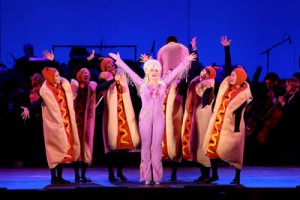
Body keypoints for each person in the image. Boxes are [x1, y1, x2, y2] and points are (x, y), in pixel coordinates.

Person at [108, 51, 197, 185]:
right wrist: (119, 61)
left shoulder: (164, 82)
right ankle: (146, 176)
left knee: (156, 147)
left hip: (159, 118)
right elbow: (129, 72)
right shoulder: (141, 83)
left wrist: (186, 61)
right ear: (147, 71)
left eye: (156, 69)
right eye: (151, 69)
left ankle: (157, 177)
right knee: (145, 146)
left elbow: (176, 71)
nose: (154, 72)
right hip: (145, 118)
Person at [21, 67, 81, 184]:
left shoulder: (62, 85)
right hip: (54, 124)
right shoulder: (45, 90)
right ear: (50, 78)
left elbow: (68, 72)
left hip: (66, 122)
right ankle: (53, 177)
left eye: (58, 75)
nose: (59, 77)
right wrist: (29, 109)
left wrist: (53, 62)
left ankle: (60, 177)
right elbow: (39, 101)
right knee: (54, 149)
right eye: (56, 76)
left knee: (63, 149)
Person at [203, 66, 252, 184]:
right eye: (231, 75)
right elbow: (228, 66)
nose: (231, 77)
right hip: (218, 121)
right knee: (211, 146)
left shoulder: (244, 94)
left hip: (232, 124)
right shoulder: (227, 87)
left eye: (234, 75)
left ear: (240, 78)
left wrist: (236, 129)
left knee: (236, 151)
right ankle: (214, 175)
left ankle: (237, 176)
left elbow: (240, 112)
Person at [98, 57, 140, 182]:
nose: (111, 67)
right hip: (111, 115)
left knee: (122, 146)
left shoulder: (121, 76)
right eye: (108, 66)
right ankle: (111, 174)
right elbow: (99, 87)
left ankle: (120, 172)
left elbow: (130, 71)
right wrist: (111, 81)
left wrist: (139, 62)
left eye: (112, 65)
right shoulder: (105, 77)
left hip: (123, 115)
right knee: (111, 146)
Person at [156, 35, 191, 181]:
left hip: (163, 91)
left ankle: (158, 170)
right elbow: (187, 68)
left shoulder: (161, 49)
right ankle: (174, 171)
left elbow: (157, 69)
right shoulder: (184, 48)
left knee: (160, 128)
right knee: (176, 127)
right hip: (178, 91)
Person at [181, 66, 216, 183]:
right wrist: (194, 49)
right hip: (195, 114)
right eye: (203, 70)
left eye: (207, 73)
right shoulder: (196, 82)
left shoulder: (208, 84)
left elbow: (206, 99)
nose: (203, 73)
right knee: (195, 143)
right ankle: (203, 174)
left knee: (203, 143)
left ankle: (208, 174)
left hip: (204, 114)